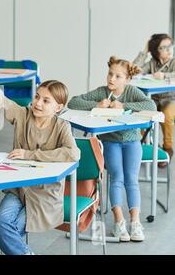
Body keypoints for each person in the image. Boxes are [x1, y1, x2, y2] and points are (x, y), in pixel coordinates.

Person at [0, 46, 80, 255]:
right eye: (37, 96)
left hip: (44, 193)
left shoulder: (61, 126)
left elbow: (73, 153)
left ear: (58, 107)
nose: (37, 103)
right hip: (18, 187)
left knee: (5, 229)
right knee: (0, 224)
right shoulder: (23, 115)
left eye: (46, 100)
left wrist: (30, 155)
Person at [68, 56, 156, 242]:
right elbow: (73, 102)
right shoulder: (101, 92)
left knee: (131, 180)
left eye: (118, 76)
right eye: (110, 74)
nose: (112, 79)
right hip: (110, 142)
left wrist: (124, 105)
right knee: (117, 178)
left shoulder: (132, 91)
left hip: (132, 142)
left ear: (127, 79)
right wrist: (96, 105)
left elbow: (150, 105)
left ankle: (135, 222)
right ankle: (119, 222)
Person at [133, 34, 175, 165]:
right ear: (156, 51)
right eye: (164, 47)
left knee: (167, 115)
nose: (168, 50)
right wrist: (145, 51)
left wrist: (164, 75)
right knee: (142, 113)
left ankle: (168, 148)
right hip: (153, 100)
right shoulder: (151, 63)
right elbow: (133, 70)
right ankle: (139, 145)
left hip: (171, 100)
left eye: (170, 46)